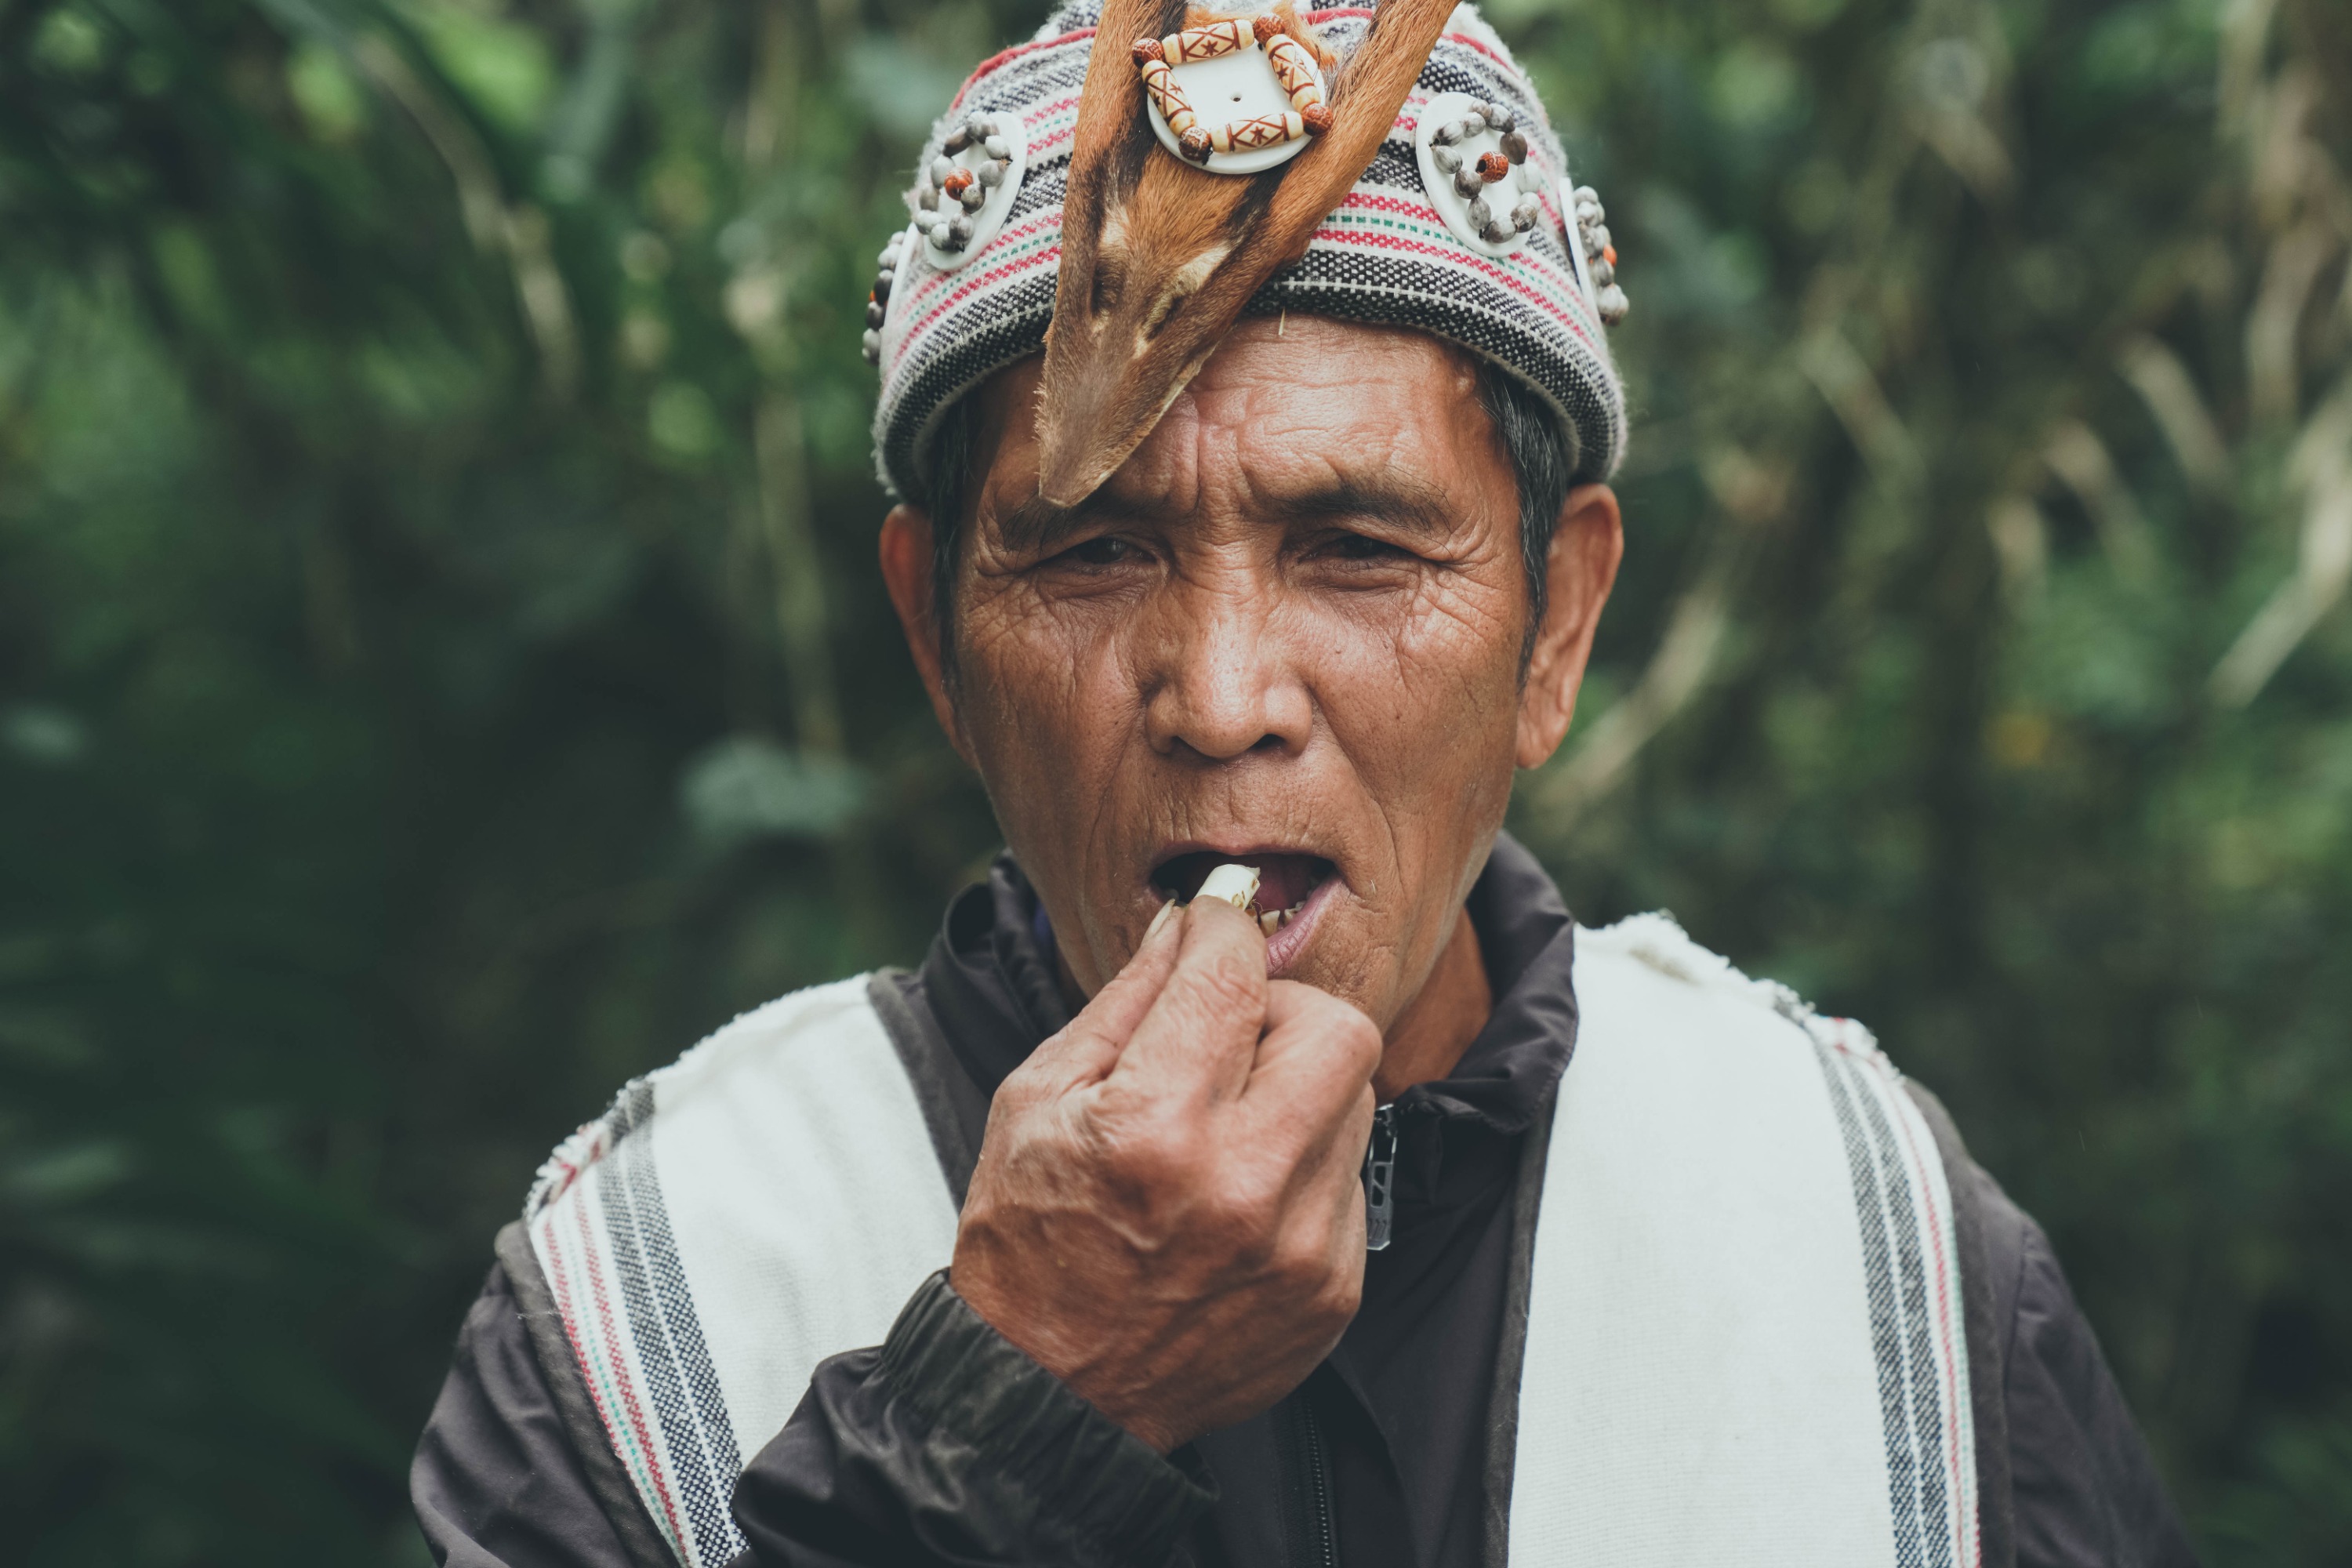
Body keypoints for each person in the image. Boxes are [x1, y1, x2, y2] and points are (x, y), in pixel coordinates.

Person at [412, 2, 2196, 1565]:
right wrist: (1007, 1417)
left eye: (1356, 544)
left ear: (1557, 623)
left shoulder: (1863, 1232)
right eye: (1093, 551)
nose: (1224, 696)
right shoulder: (651, 1291)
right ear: (938, 641)